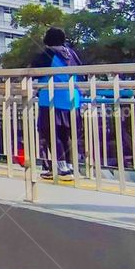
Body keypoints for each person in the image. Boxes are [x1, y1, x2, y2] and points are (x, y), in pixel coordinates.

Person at [31, 26, 82, 181]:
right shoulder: (72, 54)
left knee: (50, 132)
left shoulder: (47, 54)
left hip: (51, 99)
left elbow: (32, 70)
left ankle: (61, 168)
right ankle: (69, 166)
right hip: (73, 100)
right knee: (66, 134)